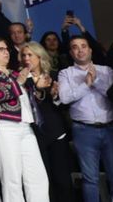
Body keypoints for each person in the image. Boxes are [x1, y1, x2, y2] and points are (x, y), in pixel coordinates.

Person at [0, 37, 49, 201]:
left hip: (26, 127)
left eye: (7, 49)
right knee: (12, 178)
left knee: (37, 175)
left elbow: (29, 99)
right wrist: (19, 82)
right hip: (5, 127)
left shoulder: (13, 73)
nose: (6, 52)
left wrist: (39, 89)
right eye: (1, 49)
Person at [57, 34, 113, 202]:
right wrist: (86, 84)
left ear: (90, 50)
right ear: (71, 52)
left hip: (111, 128)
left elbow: (112, 95)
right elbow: (65, 98)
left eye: (83, 46)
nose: (80, 50)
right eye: (75, 47)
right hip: (84, 131)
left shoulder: (106, 70)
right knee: (90, 179)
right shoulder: (65, 74)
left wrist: (96, 80)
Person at [20, 41, 74, 202]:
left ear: (39, 56)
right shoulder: (21, 78)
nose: (26, 58)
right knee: (44, 179)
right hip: (34, 134)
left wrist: (55, 94)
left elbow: (63, 104)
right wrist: (37, 89)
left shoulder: (53, 75)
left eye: (30, 55)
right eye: (24, 55)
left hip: (56, 131)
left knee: (62, 178)